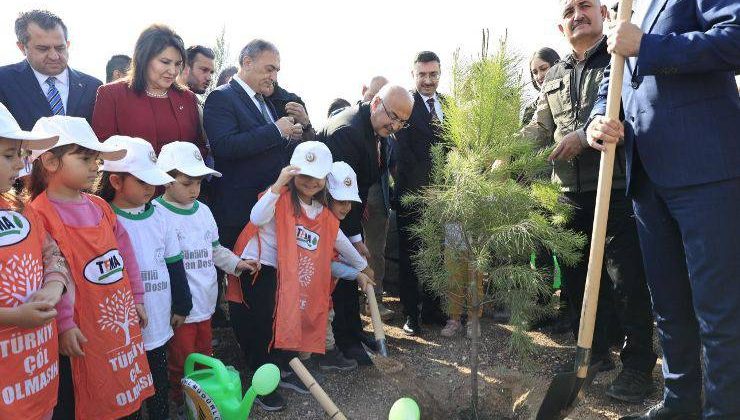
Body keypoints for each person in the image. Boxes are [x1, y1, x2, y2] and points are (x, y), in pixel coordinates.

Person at [586, 0, 740, 417]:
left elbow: (735, 37)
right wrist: (597, 119)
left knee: (718, 311)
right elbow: (612, 85)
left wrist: (649, 46)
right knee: (669, 307)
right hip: (646, 180)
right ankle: (680, 403)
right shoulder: (629, 10)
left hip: (706, 173)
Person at [520, 0, 657, 403]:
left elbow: (633, 111)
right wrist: (503, 152)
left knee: (626, 280)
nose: (577, 14)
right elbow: (538, 128)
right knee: (578, 280)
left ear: (603, 14)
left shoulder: (620, 57)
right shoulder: (556, 74)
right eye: (569, 10)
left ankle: (637, 365)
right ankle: (595, 353)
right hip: (568, 195)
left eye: (585, 6)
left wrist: (584, 136)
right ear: (560, 25)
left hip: (614, 191)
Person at [225, 142, 368, 411]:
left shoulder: (318, 211)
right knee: (264, 325)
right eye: (303, 175)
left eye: (317, 177)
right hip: (260, 267)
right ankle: (262, 383)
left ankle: (283, 368)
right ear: (291, 172)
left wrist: (361, 267)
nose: (310, 182)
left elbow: (338, 240)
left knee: (287, 318)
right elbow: (256, 218)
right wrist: (278, 185)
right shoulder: (278, 197)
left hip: (287, 271)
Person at [27, 116, 154, 419]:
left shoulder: (100, 207)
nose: (95, 166)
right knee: (82, 396)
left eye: (95, 160)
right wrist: (64, 326)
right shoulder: (37, 215)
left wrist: (136, 298)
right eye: (85, 158)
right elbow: (46, 277)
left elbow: (126, 258)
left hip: (113, 321)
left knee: (121, 388)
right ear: (50, 161)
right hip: (78, 335)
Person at [151, 141, 255, 415]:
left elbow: (215, 250)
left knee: (204, 354)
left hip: (206, 303)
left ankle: (203, 402)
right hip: (179, 308)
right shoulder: (156, 213)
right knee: (180, 358)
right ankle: (180, 401)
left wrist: (237, 264)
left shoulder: (204, 211)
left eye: (198, 182)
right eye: (187, 183)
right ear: (166, 179)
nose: (194, 189)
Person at [96, 136, 192, 420]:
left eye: (154, 180)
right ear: (115, 181)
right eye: (143, 181)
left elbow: (175, 263)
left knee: (158, 378)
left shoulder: (161, 216)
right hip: (121, 324)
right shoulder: (102, 218)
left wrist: (182, 304)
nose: (151, 187)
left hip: (158, 317)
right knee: (126, 381)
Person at [318, 84, 413, 360]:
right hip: (328, 217)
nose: (395, 125)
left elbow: (356, 193)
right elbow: (340, 196)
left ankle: (354, 332)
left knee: (350, 274)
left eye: (402, 122)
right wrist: (354, 244)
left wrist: (356, 239)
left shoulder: (373, 128)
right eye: (392, 116)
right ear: (375, 104)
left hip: (346, 214)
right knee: (340, 276)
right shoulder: (348, 133)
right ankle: (341, 343)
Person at [203, 39, 303, 254]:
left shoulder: (265, 101)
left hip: (268, 209)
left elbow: (268, 149)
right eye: (270, 69)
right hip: (237, 212)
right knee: (234, 280)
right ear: (247, 62)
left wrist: (289, 137)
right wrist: (276, 131)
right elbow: (224, 146)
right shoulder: (221, 97)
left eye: (276, 71)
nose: (274, 77)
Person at [0, 103, 68, 420]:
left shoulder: (21, 207)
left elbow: (52, 254)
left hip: (37, 370)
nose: (20, 164)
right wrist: (13, 315)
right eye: (8, 155)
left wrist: (54, 288)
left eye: (21, 154)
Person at [394, 51, 449, 335]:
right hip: (413, 197)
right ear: (413, 75)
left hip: (444, 198)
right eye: (422, 75)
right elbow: (401, 157)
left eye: (433, 75)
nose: (428, 81)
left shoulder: (449, 106)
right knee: (412, 256)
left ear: (440, 74)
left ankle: (432, 308)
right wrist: (424, 190)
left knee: (437, 254)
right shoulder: (405, 105)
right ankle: (411, 315)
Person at [92, 24, 207, 158]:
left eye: (177, 64)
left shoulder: (188, 98)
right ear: (143, 58)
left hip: (179, 179)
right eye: (165, 62)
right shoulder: (111, 94)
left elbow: (199, 147)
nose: (173, 71)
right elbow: (103, 148)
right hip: (128, 178)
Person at [0, 10, 102, 131]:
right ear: (22, 47)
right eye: (43, 49)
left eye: (60, 48)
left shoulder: (93, 87)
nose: (54, 56)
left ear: (67, 44)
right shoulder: (4, 82)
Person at [317, 161, 376, 372]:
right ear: (326, 196)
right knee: (321, 320)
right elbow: (339, 247)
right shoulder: (322, 219)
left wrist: (356, 272)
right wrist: (361, 270)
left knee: (324, 318)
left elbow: (331, 263)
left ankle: (322, 354)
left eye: (349, 202)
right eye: (341, 201)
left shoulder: (328, 217)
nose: (347, 207)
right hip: (311, 288)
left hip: (322, 288)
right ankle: (322, 356)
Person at [357, 76, 395, 321]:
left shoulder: (389, 128)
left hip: (378, 191)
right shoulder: (351, 121)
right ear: (364, 92)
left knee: (375, 249)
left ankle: (374, 301)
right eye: (374, 96)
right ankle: (350, 302)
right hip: (351, 193)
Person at [521, 47, 561, 125]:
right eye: (535, 72)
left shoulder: (570, 96)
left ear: (556, 66)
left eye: (543, 69)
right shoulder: (530, 109)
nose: (539, 76)